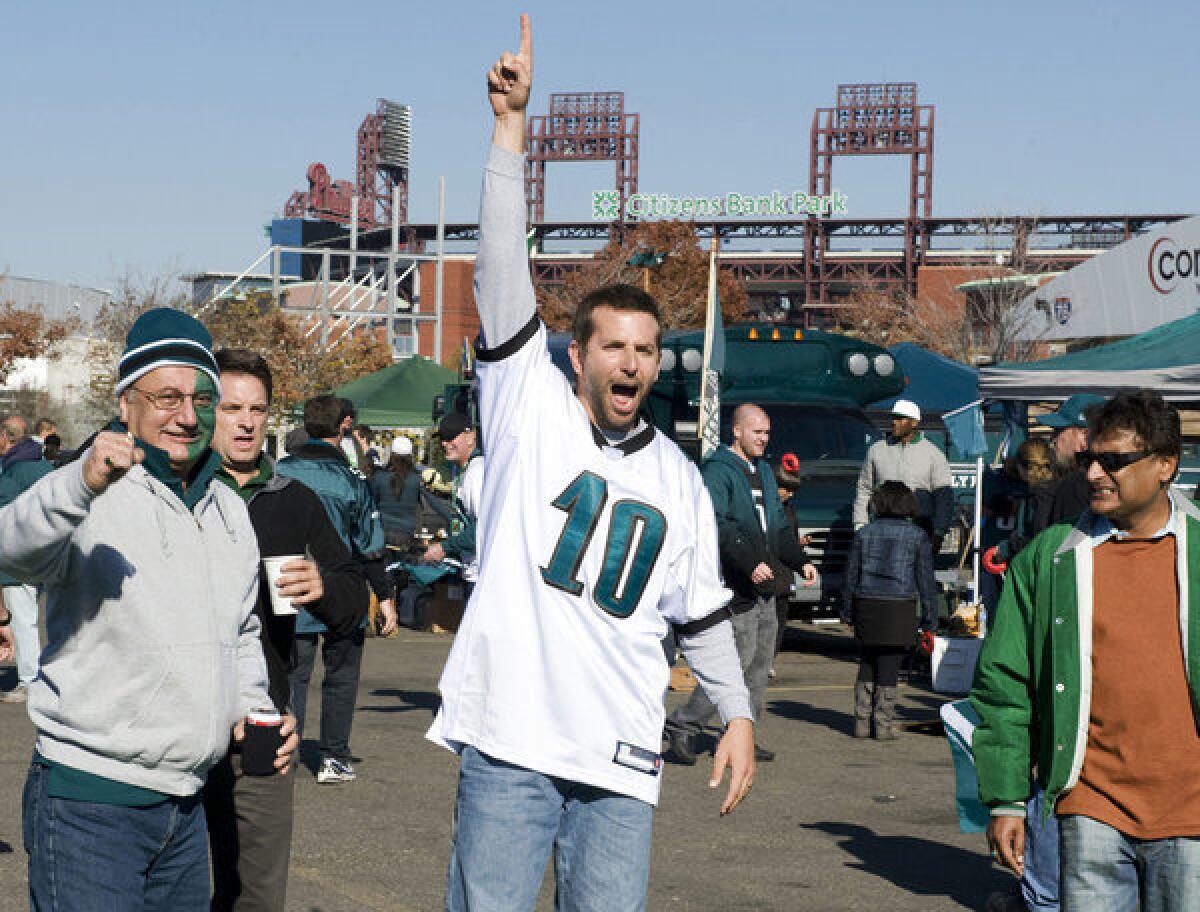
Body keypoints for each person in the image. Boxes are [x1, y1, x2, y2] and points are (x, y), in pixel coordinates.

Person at [428, 17, 755, 910]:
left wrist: (738, 714)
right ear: (578, 356)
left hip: (619, 761)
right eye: (613, 346)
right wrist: (508, 132)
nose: (631, 363)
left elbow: (701, 614)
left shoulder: (679, 477)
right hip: (512, 743)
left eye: (646, 350)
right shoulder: (528, 405)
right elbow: (500, 268)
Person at [0, 307, 295, 910]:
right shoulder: (84, 492)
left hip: (184, 811)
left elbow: (240, 632)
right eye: (167, 396)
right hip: (90, 804)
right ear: (125, 402)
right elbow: (10, 546)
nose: (188, 415)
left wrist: (255, 711)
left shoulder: (229, 510)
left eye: (202, 398)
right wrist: (80, 482)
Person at [973, 390, 1200, 911]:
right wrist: (1007, 798)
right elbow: (1004, 682)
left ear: (1166, 465)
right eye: (1089, 458)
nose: (1095, 473)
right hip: (1090, 805)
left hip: (1190, 812)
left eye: (1114, 461)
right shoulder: (1051, 558)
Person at [205, 349, 370, 912]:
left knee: (255, 896)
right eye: (232, 408)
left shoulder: (292, 500)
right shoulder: (176, 495)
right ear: (208, 410)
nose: (247, 422)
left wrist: (322, 587)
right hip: (176, 722)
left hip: (263, 726)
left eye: (258, 409)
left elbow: (352, 603)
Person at [665, 404, 816, 765]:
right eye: (757, 433)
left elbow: (778, 528)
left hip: (765, 588)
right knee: (734, 664)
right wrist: (749, 564)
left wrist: (801, 561)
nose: (764, 440)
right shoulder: (718, 471)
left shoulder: (763, 471)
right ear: (737, 432)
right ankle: (683, 726)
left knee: (760, 665)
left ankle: (741, 733)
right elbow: (716, 524)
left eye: (767, 433)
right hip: (735, 587)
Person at [277, 394, 396, 785]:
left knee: (293, 674)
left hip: (290, 584)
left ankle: (286, 752)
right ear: (344, 424)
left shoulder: (280, 472)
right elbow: (370, 543)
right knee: (341, 675)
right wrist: (387, 596)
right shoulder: (351, 481)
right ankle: (334, 756)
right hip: (343, 587)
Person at [842, 481, 938, 740]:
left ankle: (861, 722)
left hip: (867, 604)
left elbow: (851, 576)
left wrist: (847, 611)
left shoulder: (864, 534)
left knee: (867, 661)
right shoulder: (917, 536)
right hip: (900, 606)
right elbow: (925, 581)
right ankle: (882, 724)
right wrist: (931, 619)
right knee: (889, 664)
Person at [853, 399, 954, 550]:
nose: (894, 422)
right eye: (893, 417)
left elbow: (944, 497)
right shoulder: (876, 450)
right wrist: (860, 525)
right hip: (881, 531)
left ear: (914, 423)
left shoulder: (933, 454)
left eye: (900, 418)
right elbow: (864, 489)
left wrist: (939, 532)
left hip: (919, 531)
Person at [0, 414, 52, 703]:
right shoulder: (42, 466)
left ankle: (30, 680)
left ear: (6, 438)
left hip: (20, 559)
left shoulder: (12, 472)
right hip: (48, 553)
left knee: (24, 621)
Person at [1027, 393, 1107, 537]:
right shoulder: (1115, 480)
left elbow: (1057, 549)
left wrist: (1010, 547)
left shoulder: (1078, 484)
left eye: (1058, 431)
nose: (1053, 440)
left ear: (1084, 436)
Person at [421, 411, 484, 587]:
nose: (444, 443)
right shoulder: (462, 470)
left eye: (451, 437)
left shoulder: (477, 472)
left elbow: (483, 527)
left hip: (483, 575)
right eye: (442, 438)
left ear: (470, 437)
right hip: (472, 569)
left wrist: (444, 548)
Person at [371, 435, 425, 550]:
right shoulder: (417, 479)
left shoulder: (379, 477)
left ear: (392, 455)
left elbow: (371, 503)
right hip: (406, 534)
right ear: (410, 456)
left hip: (382, 533)